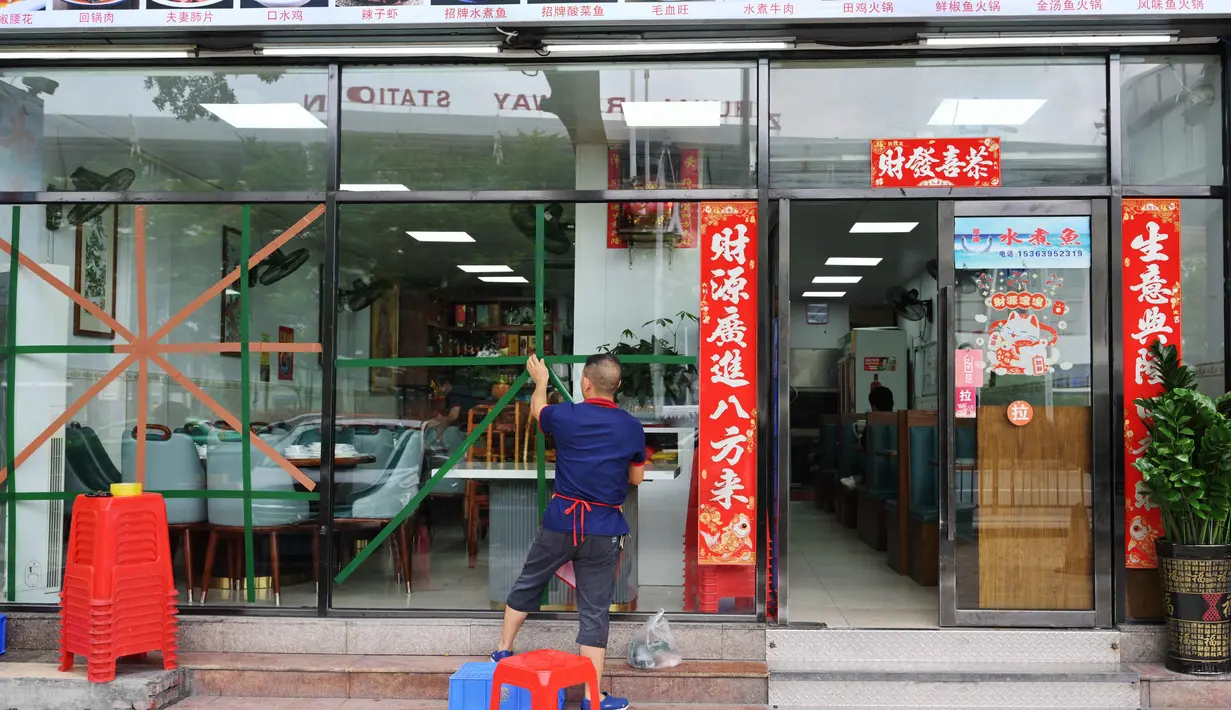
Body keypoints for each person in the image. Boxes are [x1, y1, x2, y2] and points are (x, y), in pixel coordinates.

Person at [491, 353, 645, 710]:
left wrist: (541, 381)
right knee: (594, 609)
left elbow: (537, 412)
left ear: (585, 383)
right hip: (604, 529)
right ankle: (593, 696)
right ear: (617, 386)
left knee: (530, 580)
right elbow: (636, 477)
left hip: (561, 521)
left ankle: (503, 650)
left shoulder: (566, 416)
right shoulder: (631, 426)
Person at [841, 385, 895, 490]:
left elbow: (862, 446)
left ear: (874, 406)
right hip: (897, 468)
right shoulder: (901, 421)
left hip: (875, 469)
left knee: (856, 453)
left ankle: (854, 478)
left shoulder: (872, 424)